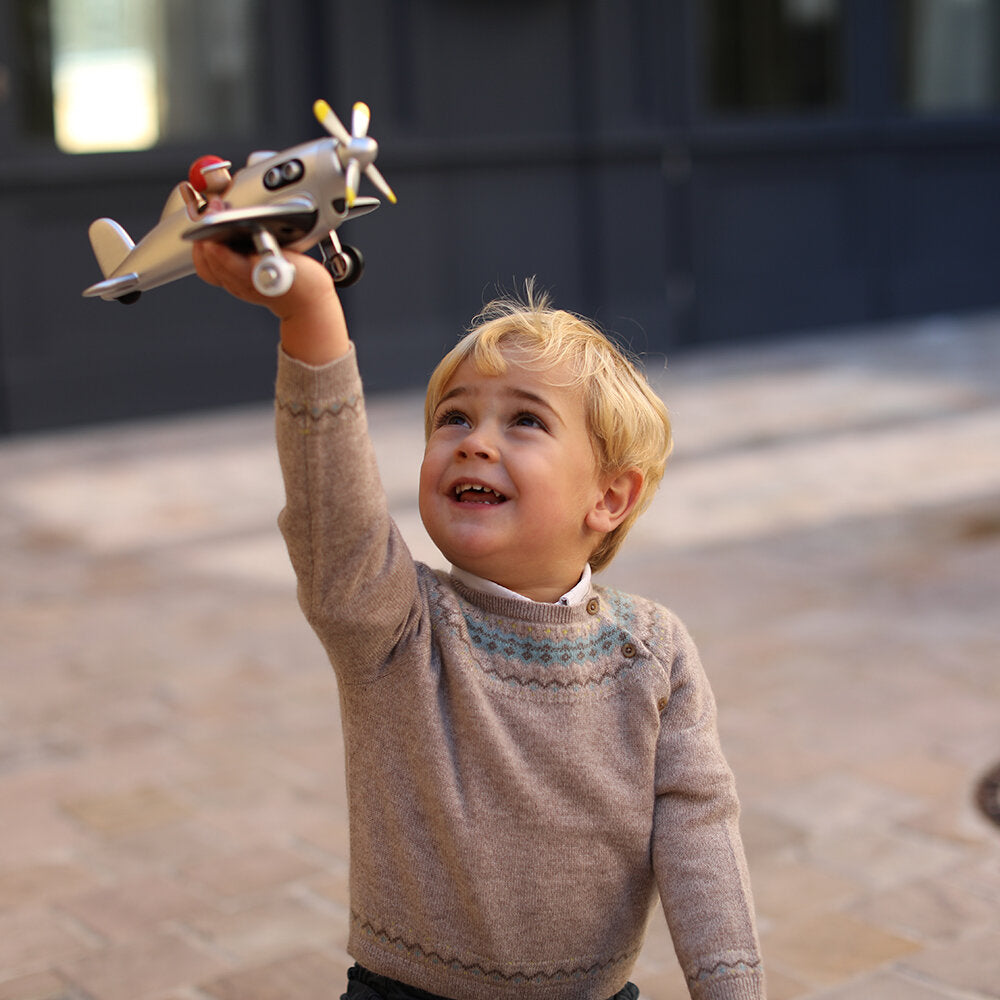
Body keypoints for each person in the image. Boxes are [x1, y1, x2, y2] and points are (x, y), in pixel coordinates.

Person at [192, 241, 766, 1000]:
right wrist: (311, 313)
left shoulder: (653, 651)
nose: (476, 440)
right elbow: (334, 506)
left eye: (525, 420)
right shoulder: (394, 625)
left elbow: (701, 834)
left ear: (610, 498)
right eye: (453, 417)